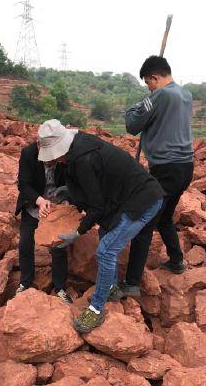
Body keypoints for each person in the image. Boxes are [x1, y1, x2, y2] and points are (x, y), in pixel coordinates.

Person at [37, 119, 164, 333]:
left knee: (105, 251)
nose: (53, 159)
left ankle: (96, 309)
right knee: (106, 232)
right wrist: (69, 190)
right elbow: (95, 185)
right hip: (123, 198)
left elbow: (96, 207)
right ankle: (111, 286)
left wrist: (77, 232)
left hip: (142, 201)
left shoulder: (83, 158)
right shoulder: (77, 146)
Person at [117, 55, 193, 297]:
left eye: (148, 84)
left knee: (144, 224)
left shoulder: (160, 95)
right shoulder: (185, 94)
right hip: (185, 167)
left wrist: (140, 103)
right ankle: (177, 260)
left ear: (154, 77)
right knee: (165, 217)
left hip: (166, 168)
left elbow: (132, 124)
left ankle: (131, 284)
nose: (148, 88)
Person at [15, 129, 75, 304]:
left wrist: (60, 206)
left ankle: (60, 287)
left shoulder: (64, 155)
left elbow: (70, 183)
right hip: (34, 203)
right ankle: (25, 283)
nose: (50, 160)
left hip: (57, 206)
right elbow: (23, 184)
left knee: (59, 246)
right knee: (26, 242)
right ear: (39, 144)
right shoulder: (28, 153)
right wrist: (39, 200)